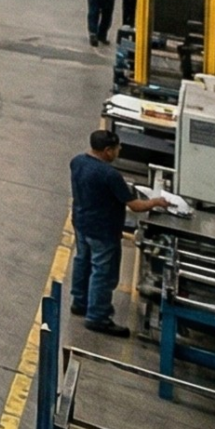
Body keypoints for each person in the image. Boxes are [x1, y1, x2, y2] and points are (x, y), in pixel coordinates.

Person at [68, 129, 164, 337]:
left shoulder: (77, 162)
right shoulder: (110, 175)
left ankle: (79, 302)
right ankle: (98, 317)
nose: (120, 151)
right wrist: (156, 202)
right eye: (118, 148)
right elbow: (136, 206)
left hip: (81, 222)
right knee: (102, 273)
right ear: (107, 150)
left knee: (82, 262)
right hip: (103, 230)